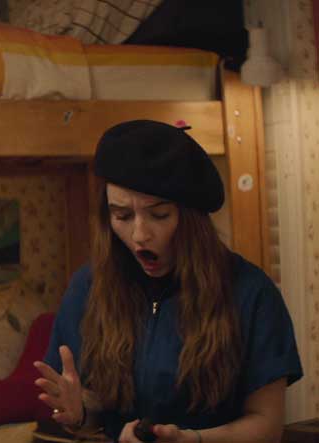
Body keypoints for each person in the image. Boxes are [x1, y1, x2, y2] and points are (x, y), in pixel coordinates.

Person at [33, 120, 302, 443]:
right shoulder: (88, 287)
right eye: (122, 216)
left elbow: (267, 425)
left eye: (159, 215)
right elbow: (96, 413)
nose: (139, 235)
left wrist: (194, 440)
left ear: (192, 220)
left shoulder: (251, 293)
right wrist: (80, 415)